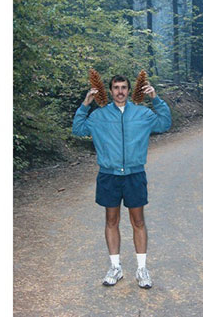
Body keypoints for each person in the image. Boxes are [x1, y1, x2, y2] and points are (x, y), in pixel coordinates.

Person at [72, 75, 171, 289]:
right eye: (116, 88)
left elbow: (165, 123)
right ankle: (115, 268)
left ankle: (142, 269)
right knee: (111, 221)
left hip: (135, 175)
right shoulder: (99, 116)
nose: (120, 91)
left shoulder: (142, 114)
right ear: (109, 90)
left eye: (124, 87)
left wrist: (155, 99)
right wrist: (85, 104)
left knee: (138, 222)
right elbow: (78, 129)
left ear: (129, 89)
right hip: (109, 175)